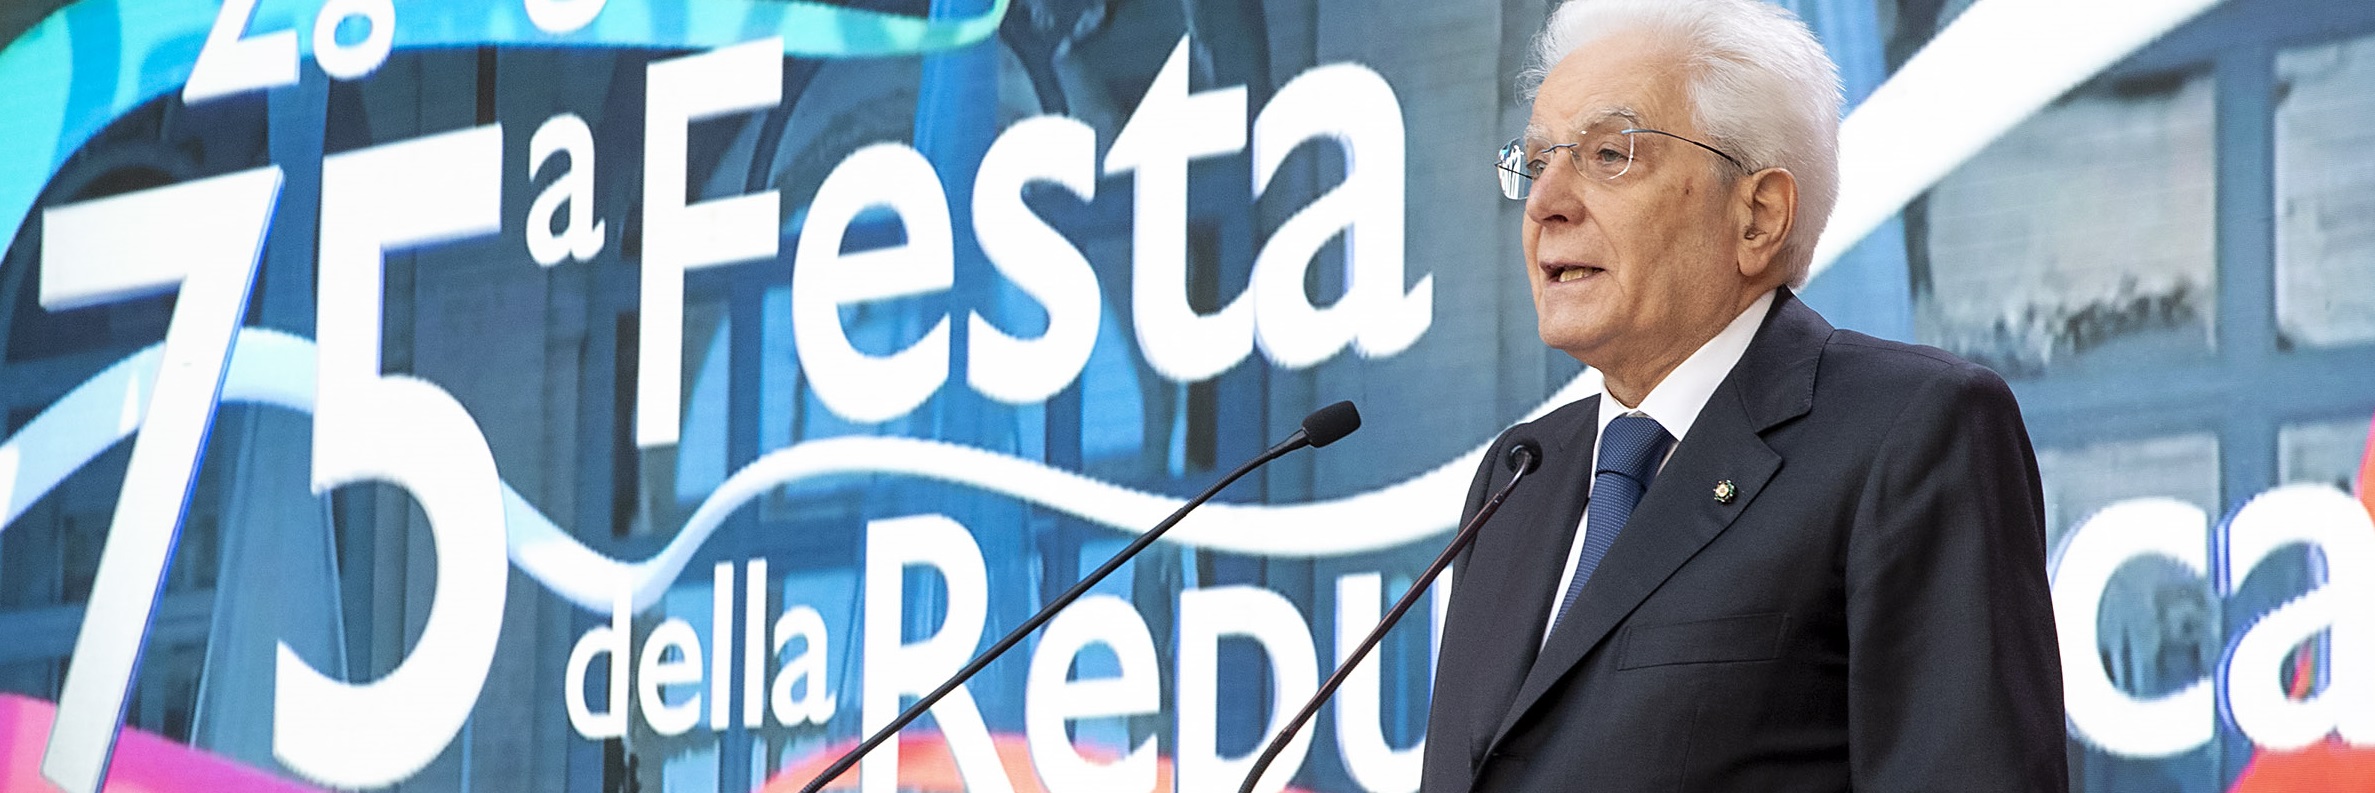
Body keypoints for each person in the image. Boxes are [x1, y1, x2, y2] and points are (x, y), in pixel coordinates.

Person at [1419, 1, 2067, 790]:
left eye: (1609, 154)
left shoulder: (1910, 430)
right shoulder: (1519, 474)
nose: (1544, 202)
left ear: (1757, 216)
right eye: (1535, 161)